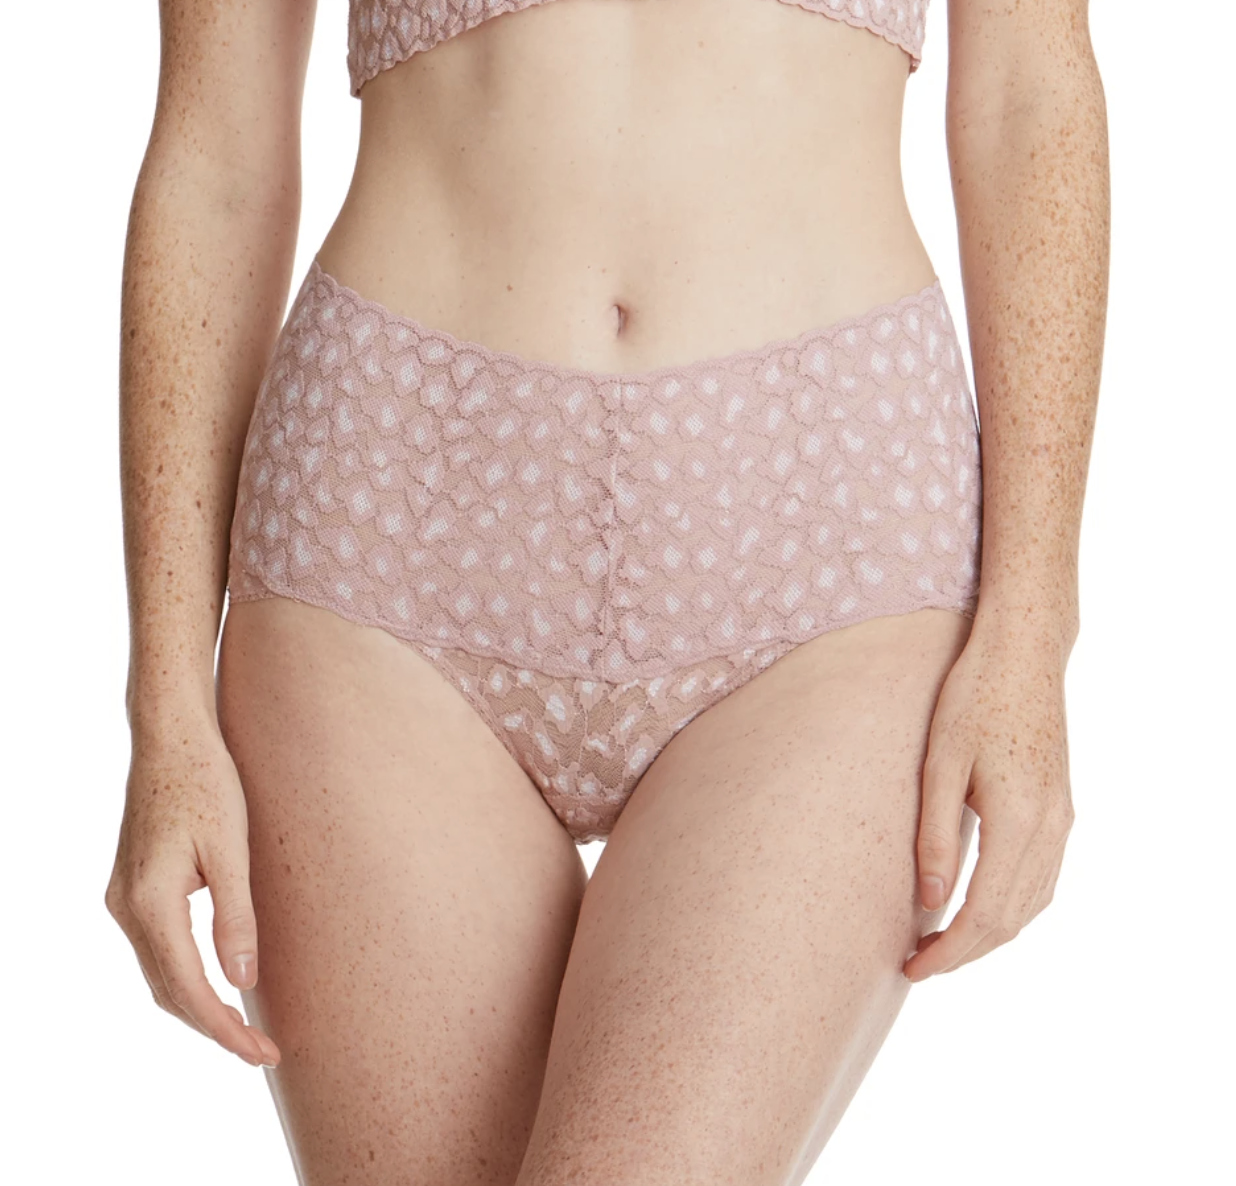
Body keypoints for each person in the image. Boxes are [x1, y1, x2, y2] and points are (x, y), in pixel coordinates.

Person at [105, 0, 1109, 1181]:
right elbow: (218, 153)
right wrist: (165, 707)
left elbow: (1029, 97)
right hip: (383, 534)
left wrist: (1034, 628)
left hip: (829, 553)